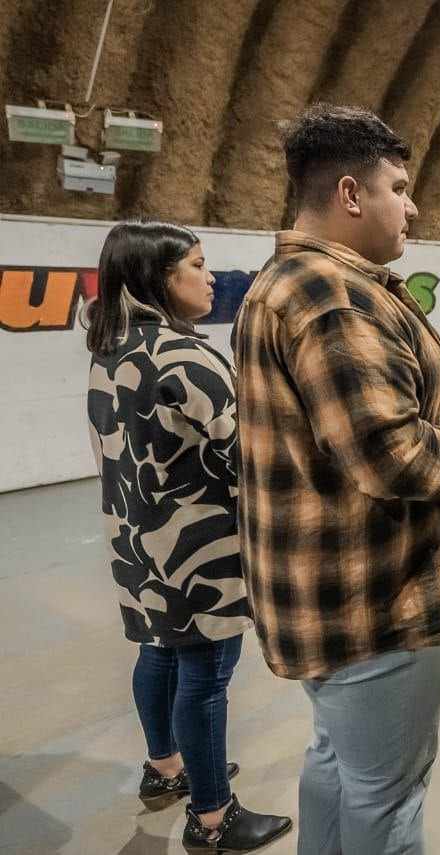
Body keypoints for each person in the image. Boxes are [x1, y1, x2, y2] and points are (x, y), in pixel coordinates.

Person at [233, 105, 440, 854]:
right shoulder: (333, 298)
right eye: (400, 188)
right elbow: (397, 459)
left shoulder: (286, 282)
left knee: (338, 763)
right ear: (351, 195)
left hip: (327, 601)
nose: (411, 206)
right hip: (378, 601)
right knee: (388, 794)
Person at [85, 222, 291, 852]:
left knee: (158, 650)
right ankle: (212, 816)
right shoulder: (187, 356)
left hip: (137, 541)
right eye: (199, 266)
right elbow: (244, 458)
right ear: (161, 278)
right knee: (207, 674)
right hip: (199, 549)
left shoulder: (110, 348)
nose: (210, 278)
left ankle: (167, 766)